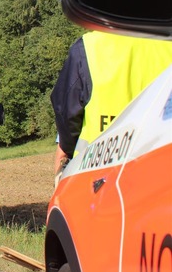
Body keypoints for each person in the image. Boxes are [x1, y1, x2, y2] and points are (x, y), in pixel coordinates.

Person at [51, 31, 172, 181]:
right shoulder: (167, 45)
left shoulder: (89, 47)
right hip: (161, 175)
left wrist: (66, 150)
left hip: (96, 177)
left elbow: (66, 113)